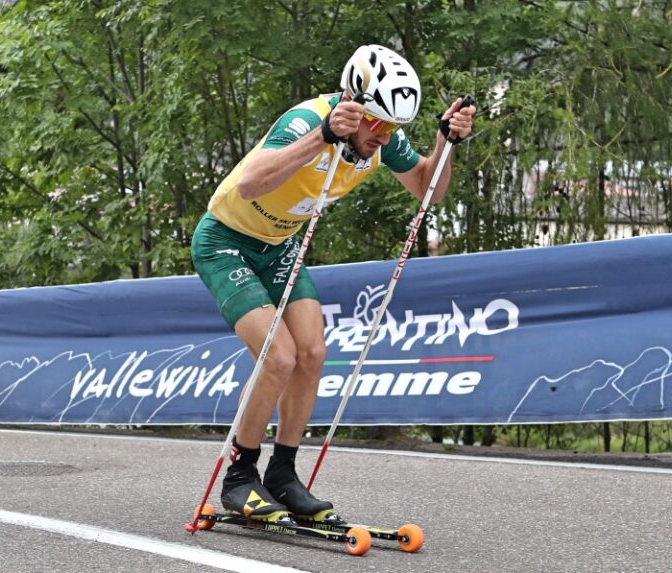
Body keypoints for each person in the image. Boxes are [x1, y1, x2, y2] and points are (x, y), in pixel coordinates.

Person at [191, 44, 474, 521]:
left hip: (279, 246)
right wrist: (322, 136)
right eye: (379, 126)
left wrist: (445, 142)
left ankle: (282, 474)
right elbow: (250, 184)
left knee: (313, 353)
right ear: (353, 106)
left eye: (394, 129)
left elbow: (428, 187)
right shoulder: (305, 121)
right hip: (227, 240)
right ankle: (240, 476)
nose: (384, 139)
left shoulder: (380, 139)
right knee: (277, 356)